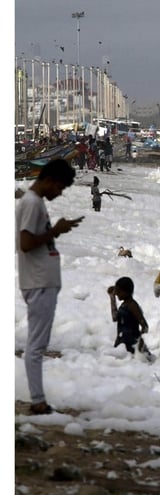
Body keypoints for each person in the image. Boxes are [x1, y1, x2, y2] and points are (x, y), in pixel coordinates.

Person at [16, 159, 83, 415]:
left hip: (42, 281)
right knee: (35, 346)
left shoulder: (34, 202)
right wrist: (55, 230)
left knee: (37, 344)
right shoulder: (32, 202)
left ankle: (38, 399)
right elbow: (26, 243)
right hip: (38, 282)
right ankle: (37, 401)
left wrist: (56, 231)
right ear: (51, 181)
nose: (60, 193)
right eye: (61, 187)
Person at [108, 276, 152, 358]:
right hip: (122, 342)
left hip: (132, 344)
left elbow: (145, 326)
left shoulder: (133, 305)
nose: (116, 293)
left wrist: (140, 345)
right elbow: (115, 318)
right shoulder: (124, 304)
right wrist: (112, 298)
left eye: (118, 291)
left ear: (126, 292)